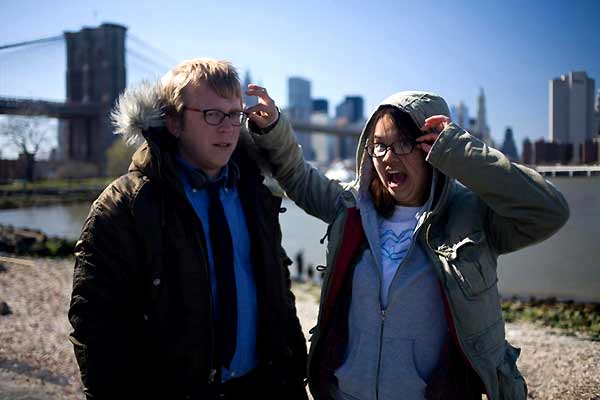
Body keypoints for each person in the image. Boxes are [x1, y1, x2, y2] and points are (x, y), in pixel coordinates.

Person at [245, 87, 569, 400]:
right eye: (379, 145)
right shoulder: (351, 207)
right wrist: (274, 127)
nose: (387, 158)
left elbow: (548, 211)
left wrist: (460, 151)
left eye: (402, 144)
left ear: (431, 148)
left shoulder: (471, 216)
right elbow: (298, 177)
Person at [68, 59, 308, 400]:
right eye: (212, 114)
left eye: (234, 115)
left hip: (262, 388)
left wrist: (294, 379)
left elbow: (279, 296)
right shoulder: (126, 207)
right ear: (174, 122)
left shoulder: (256, 195)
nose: (228, 128)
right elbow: (95, 326)